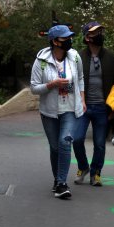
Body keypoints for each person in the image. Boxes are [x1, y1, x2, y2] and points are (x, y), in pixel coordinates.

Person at [30, 25, 86, 199]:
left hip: (70, 107)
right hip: (49, 111)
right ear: (54, 42)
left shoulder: (75, 57)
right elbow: (33, 88)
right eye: (64, 38)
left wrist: (82, 99)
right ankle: (57, 180)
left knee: (65, 142)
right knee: (55, 148)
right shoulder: (41, 61)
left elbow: (81, 78)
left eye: (69, 37)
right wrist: (52, 85)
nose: (69, 41)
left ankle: (62, 183)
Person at [73, 21, 114, 187]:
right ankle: (83, 167)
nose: (100, 35)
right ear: (87, 38)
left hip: (103, 107)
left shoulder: (113, 58)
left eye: (100, 31)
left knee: (100, 144)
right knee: (77, 139)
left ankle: (96, 174)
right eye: (95, 33)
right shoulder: (77, 57)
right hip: (83, 106)